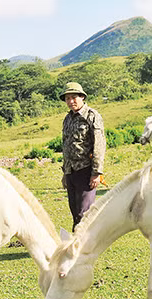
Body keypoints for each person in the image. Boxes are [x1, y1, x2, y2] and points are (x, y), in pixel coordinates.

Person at [60, 82, 106, 231]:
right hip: (71, 171)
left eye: (74, 97)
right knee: (74, 212)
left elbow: (99, 145)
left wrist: (96, 173)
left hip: (86, 171)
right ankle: (78, 244)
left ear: (82, 97)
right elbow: (66, 145)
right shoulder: (68, 119)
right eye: (67, 98)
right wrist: (65, 173)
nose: (70, 101)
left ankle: (83, 247)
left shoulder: (91, 116)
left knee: (83, 213)